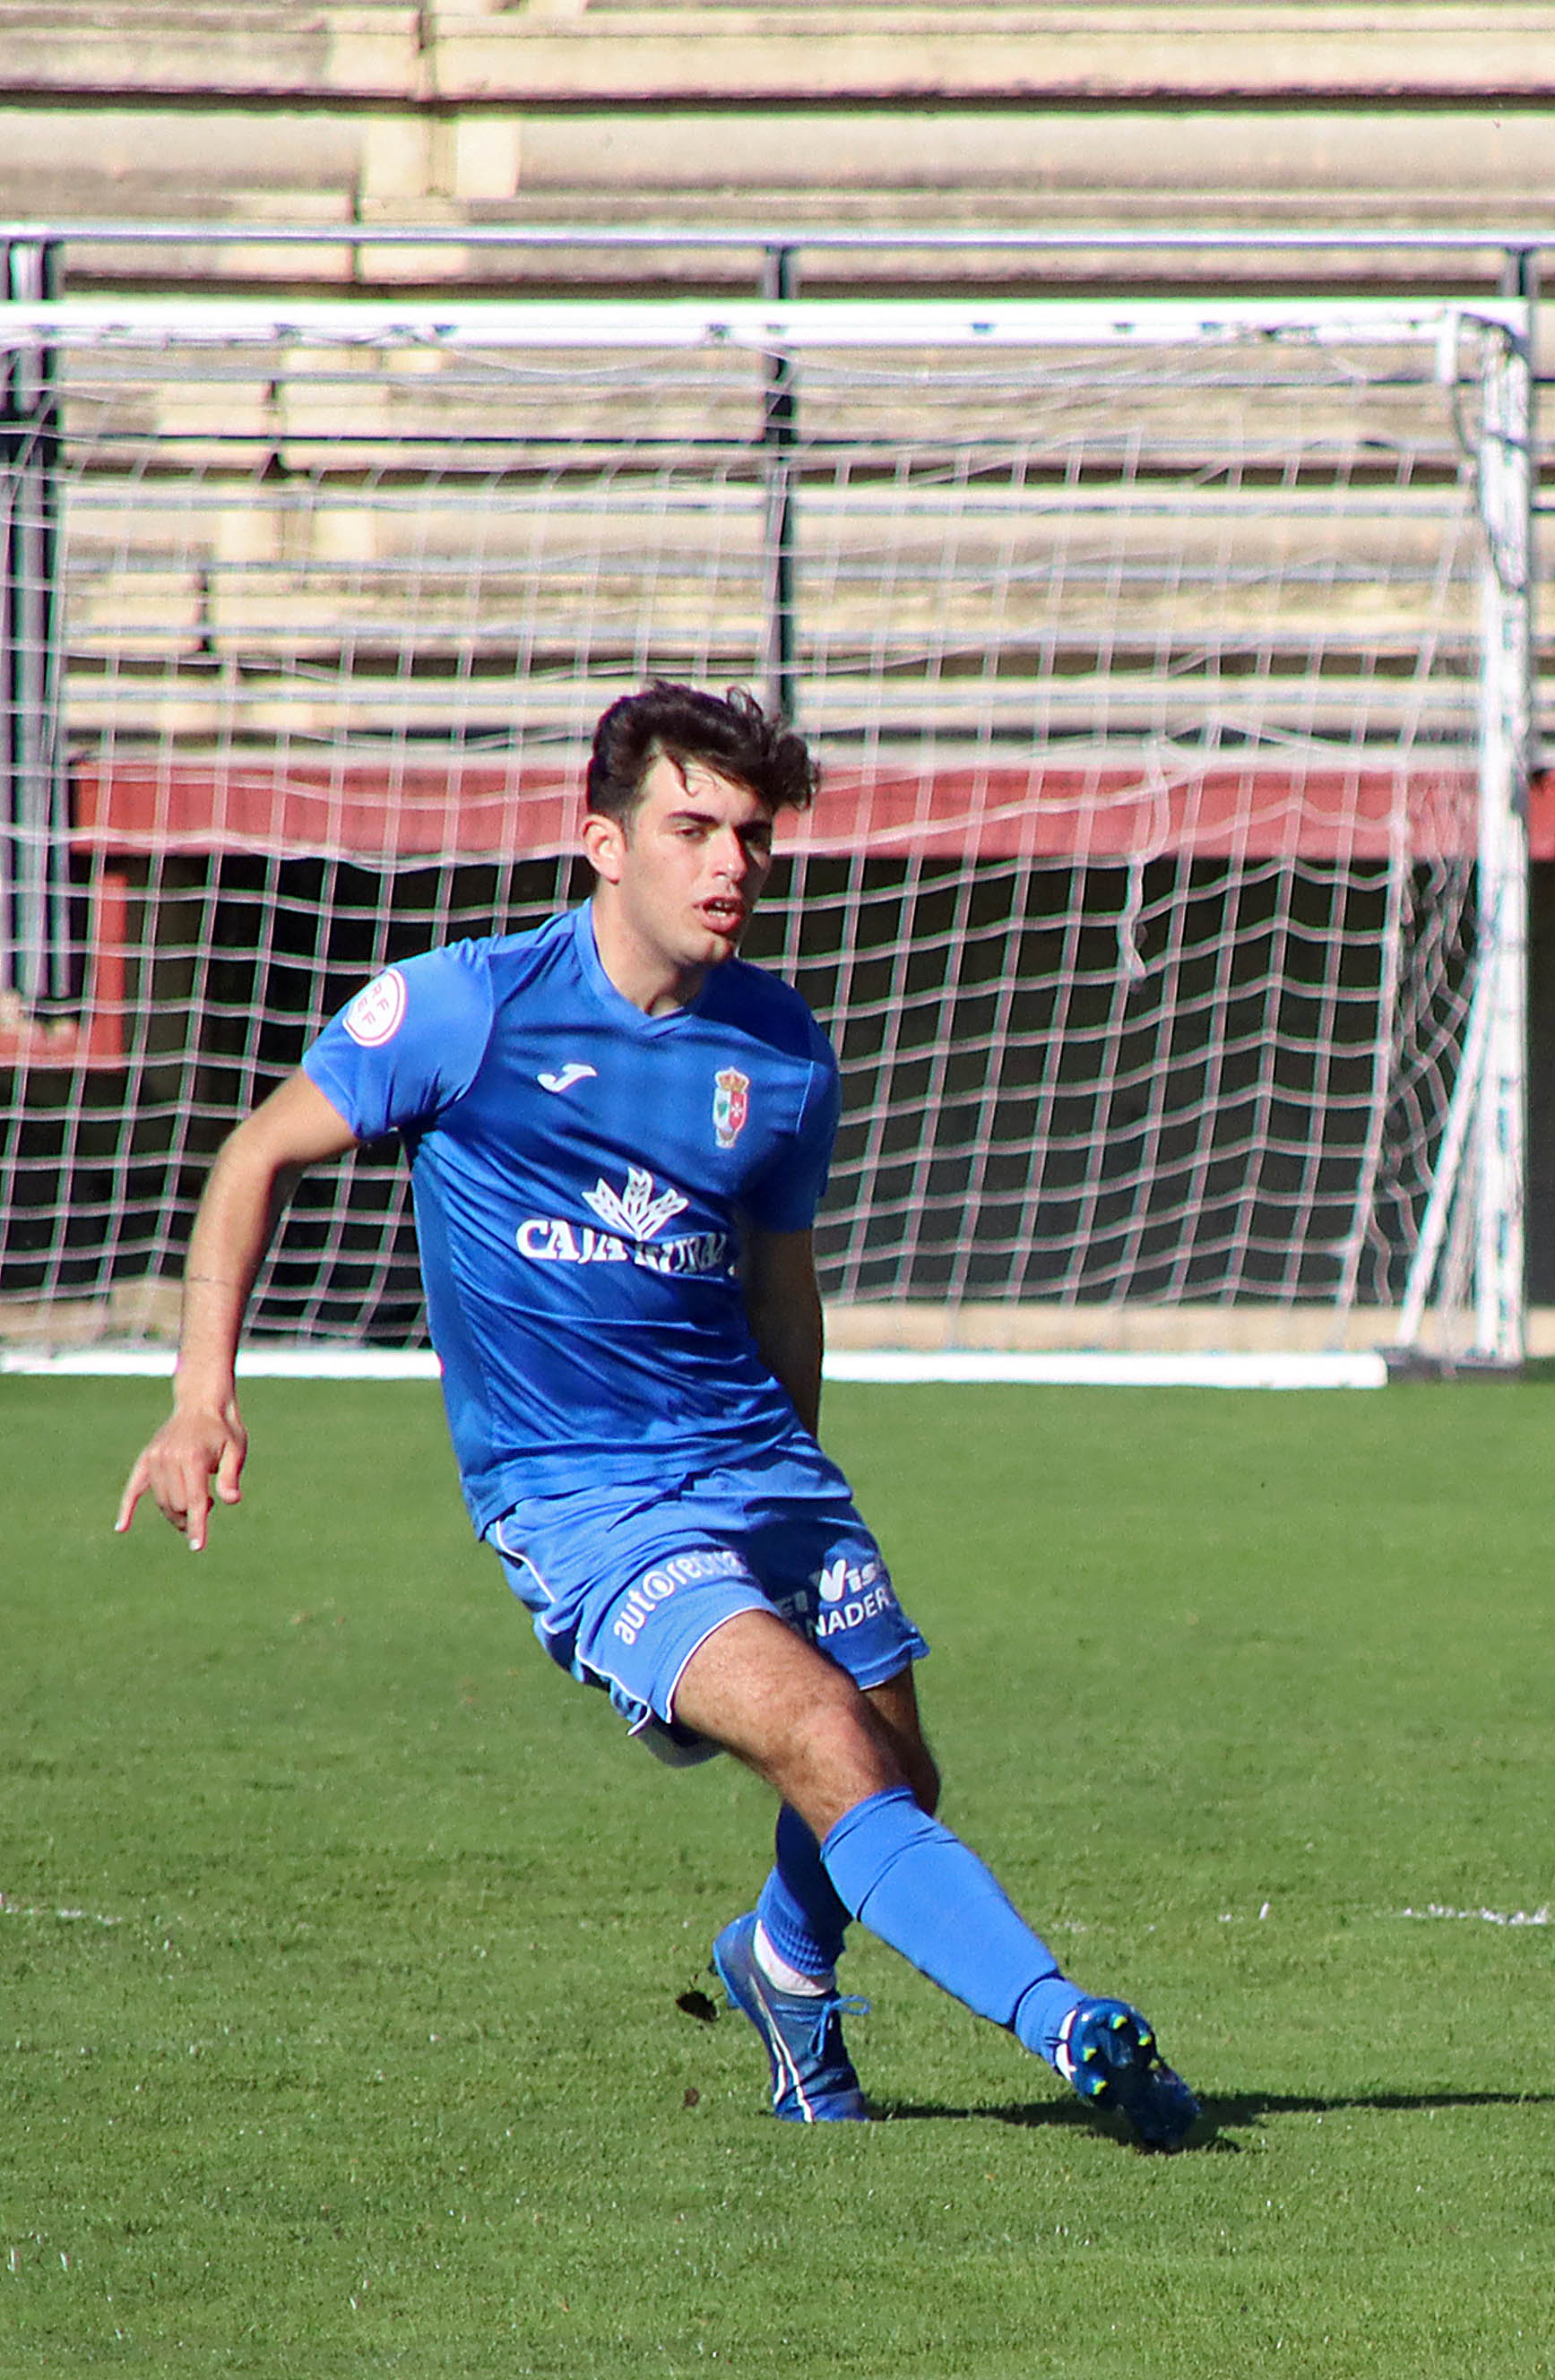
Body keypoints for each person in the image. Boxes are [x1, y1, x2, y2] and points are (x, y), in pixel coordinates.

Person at [114, 682, 1203, 2151]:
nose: (731, 865)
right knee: (824, 1734)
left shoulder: (780, 1049)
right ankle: (1071, 2024)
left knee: (895, 1770)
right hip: (583, 1500)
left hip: (762, 1468)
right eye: (694, 829)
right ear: (601, 845)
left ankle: (781, 1968)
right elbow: (255, 1156)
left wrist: (804, 1491)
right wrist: (199, 1396)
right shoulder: (466, 1008)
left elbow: (783, 1287)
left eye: (751, 836)